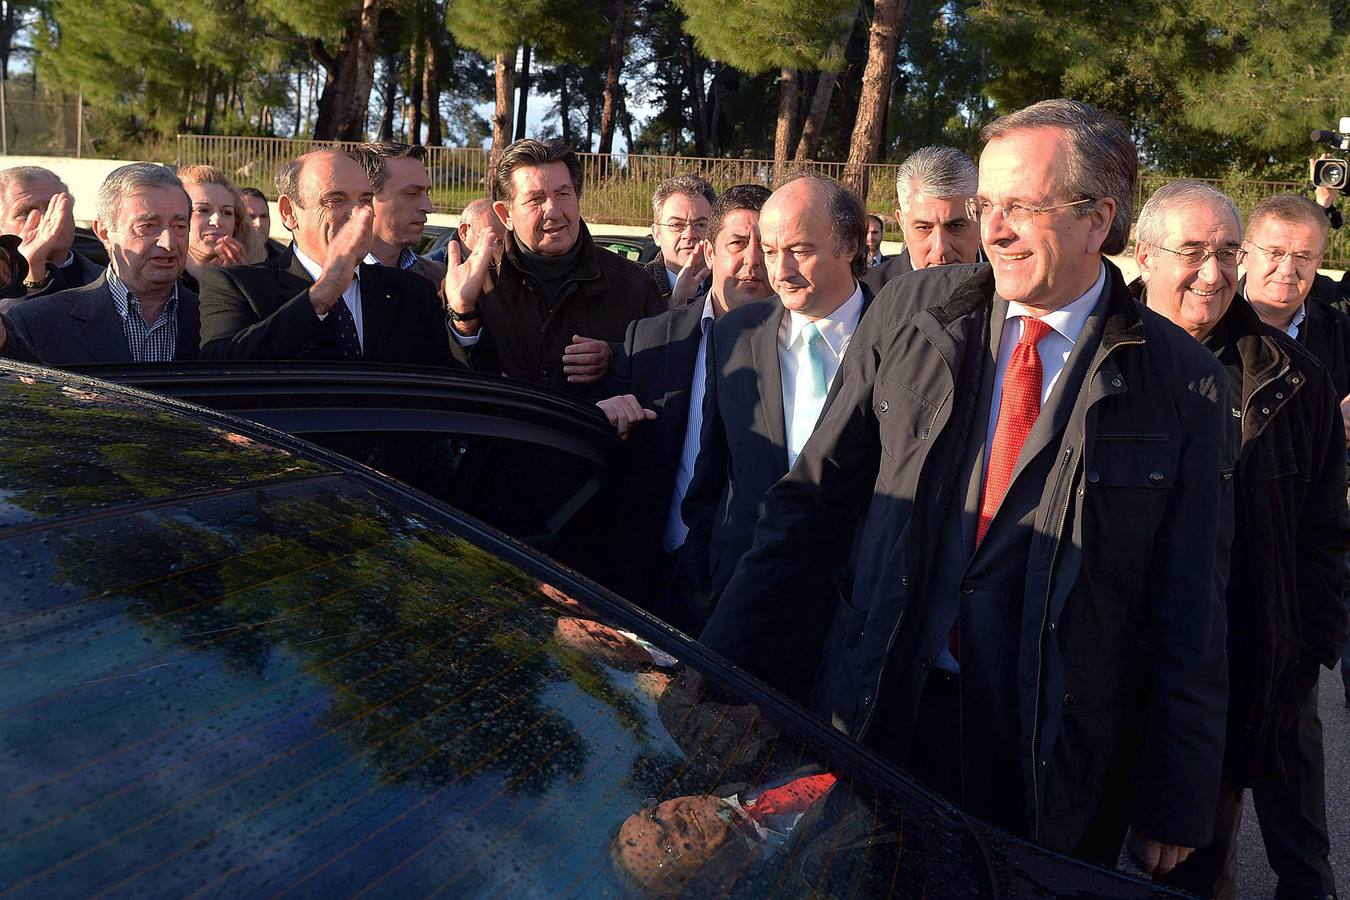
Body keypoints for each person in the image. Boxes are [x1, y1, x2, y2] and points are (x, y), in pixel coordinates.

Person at [698, 99, 1234, 875]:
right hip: (880, 716)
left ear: (1097, 220)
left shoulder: (1183, 384)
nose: (995, 231)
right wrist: (714, 669)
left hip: (1043, 759)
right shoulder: (911, 315)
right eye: (987, 206)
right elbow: (810, 503)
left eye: (1021, 207)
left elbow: (1192, 605)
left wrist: (1176, 797)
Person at [1132, 181, 1348, 900]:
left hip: (1232, 668)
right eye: (1194, 252)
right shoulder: (1088, 351)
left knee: (1199, 861)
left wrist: (1304, 645)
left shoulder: (1294, 377)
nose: (1215, 273)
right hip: (1099, 667)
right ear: (1144, 254)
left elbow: (1323, 531)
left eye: (1227, 252)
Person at [676, 174, 875, 646]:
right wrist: (705, 577)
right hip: (737, 604)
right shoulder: (734, 335)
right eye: (769, 251)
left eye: (799, 250)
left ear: (849, 243)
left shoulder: (898, 339)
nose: (778, 271)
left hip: (847, 620)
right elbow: (711, 471)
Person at [593, 184, 773, 624]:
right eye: (737, 243)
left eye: (766, 247)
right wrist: (605, 413)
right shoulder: (651, 338)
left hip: (748, 594)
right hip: (649, 580)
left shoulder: (803, 352)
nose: (753, 262)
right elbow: (609, 449)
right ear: (710, 252)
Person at [439, 138, 666, 398]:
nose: (553, 211)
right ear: (506, 215)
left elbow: (665, 376)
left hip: (598, 438)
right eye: (535, 199)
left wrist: (616, 359)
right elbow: (450, 391)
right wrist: (464, 319)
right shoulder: (471, 285)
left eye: (563, 194)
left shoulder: (634, 284)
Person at [196, 147, 458, 367]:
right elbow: (221, 370)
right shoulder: (237, 286)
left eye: (365, 201)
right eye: (335, 200)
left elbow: (450, 383)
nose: (358, 215)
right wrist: (323, 294)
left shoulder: (412, 291)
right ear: (289, 212)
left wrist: (465, 317)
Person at [0, 163, 199, 366]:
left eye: (180, 226)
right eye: (147, 226)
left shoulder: (215, 321)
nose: (168, 243)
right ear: (103, 232)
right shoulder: (36, 321)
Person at [862, 145, 982, 294]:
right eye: (924, 228)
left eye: (956, 226)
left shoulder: (1010, 288)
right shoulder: (868, 294)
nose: (940, 249)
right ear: (902, 223)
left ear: (980, 217)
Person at [0, 165, 102, 306]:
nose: (48, 219)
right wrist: (32, 274)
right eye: (26, 212)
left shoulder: (114, 275)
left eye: (55, 207)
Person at [351, 141, 448, 286]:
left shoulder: (437, 277)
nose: (428, 207)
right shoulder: (327, 282)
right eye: (412, 193)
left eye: (426, 193)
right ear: (366, 199)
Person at [644, 175, 715, 307]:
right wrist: (675, 304)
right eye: (676, 225)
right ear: (657, 234)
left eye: (700, 225)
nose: (689, 235)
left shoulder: (733, 286)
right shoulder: (634, 289)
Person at [177, 165, 249, 294]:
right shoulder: (162, 284)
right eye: (202, 210)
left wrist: (243, 285)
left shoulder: (249, 279)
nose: (217, 221)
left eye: (227, 212)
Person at [240, 187, 285, 263]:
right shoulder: (223, 260)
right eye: (251, 217)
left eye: (263, 216)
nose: (259, 223)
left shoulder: (285, 260)